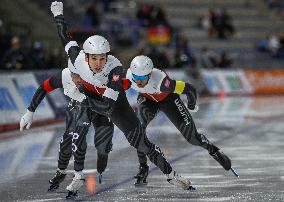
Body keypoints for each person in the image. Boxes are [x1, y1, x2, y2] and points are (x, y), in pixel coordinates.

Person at [50, 1, 195, 195]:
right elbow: (64, 36)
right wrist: (58, 13)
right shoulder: (77, 58)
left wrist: (83, 98)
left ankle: (172, 175)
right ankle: (76, 175)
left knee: (141, 143)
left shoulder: (115, 67)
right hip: (91, 98)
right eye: (94, 58)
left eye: (103, 58)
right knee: (77, 133)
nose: (99, 63)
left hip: (114, 105)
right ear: (86, 57)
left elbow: (108, 107)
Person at [126, 55, 236, 185]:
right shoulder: (128, 76)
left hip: (169, 100)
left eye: (142, 77)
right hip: (148, 100)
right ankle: (143, 168)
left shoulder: (162, 82)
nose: (138, 81)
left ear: (150, 75)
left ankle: (214, 150)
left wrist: (191, 103)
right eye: (136, 77)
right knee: (139, 129)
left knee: (192, 138)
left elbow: (190, 89)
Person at [19, 60, 114, 198]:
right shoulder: (62, 76)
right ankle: (64, 172)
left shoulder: (98, 76)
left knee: (95, 144)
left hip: (98, 107)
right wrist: (30, 111)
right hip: (77, 103)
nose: (79, 80)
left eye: (82, 76)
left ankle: (85, 170)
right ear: (70, 73)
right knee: (67, 139)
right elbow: (43, 88)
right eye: (76, 76)